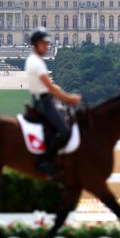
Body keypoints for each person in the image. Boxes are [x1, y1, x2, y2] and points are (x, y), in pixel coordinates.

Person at [25, 28, 82, 175]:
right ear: (36, 45)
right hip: (45, 103)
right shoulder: (37, 63)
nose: (47, 46)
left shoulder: (33, 60)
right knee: (64, 132)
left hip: (41, 100)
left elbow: (47, 85)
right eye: (44, 44)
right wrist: (70, 98)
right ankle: (46, 161)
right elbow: (50, 88)